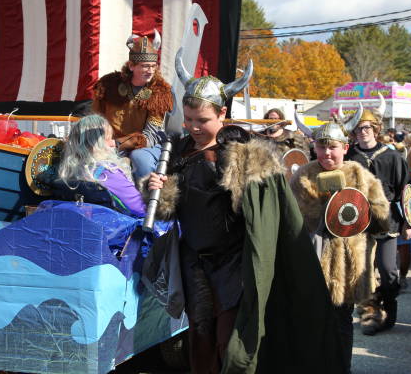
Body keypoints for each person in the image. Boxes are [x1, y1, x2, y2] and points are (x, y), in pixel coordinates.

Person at [143, 50, 344, 373]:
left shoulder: (242, 153)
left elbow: (264, 211)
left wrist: (245, 177)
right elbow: (168, 212)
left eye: (202, 120)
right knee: (200, 337)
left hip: (235, 262)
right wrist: (158, 188)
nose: (194, 127)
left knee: (232, 341)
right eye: (189, 119)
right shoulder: (179, 151)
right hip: (194, 261)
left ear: (222, 113)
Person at [291, 115, 390, 372]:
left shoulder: (361, 176)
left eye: (332, 147)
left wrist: (360, 210)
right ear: (313, 147)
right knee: (312, 328)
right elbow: (287, 222)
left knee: (341, 325)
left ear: (345, 147)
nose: (326, 153)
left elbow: (383, 220)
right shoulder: (300, 178)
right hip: (310, 266)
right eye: (321, 147)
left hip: (346, 268)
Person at [345, 101, 411, 335]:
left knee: (388, 270)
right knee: (363, 272)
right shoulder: (350, 155)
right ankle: (370, 317)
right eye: (359, 128)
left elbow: (407, 190)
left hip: (387, 222)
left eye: (367, 127)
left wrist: (408, 223)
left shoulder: (392, 157)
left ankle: (389, 309)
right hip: (358, 223)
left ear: (376, 129)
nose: (363, 132)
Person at [92, 30, 173, 181]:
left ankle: (146, 199)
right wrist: (97, 141)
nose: (150, 71)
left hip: (144, 147)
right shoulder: (108, 85)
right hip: (110, 143)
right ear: (131, 66)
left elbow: (150, 137)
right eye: (145, 66)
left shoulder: (159, 93)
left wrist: (116, 144)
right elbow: (97, 119)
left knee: (140, 158)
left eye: (153, 66)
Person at [57, 114, 145, 217]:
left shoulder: (68, 174)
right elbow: (142, 209)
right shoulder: (109, 172)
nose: (113, 143)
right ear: (95, 144)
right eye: (108, 138)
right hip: (115, 230)